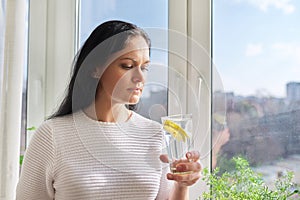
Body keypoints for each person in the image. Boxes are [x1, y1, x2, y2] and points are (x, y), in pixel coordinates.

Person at [16, 20, 202, 200]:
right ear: (95, 69)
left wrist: (181, 185)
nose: (140, 77)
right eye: (127, 66)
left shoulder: (154, 134)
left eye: (144, 68)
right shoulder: (52, 136)